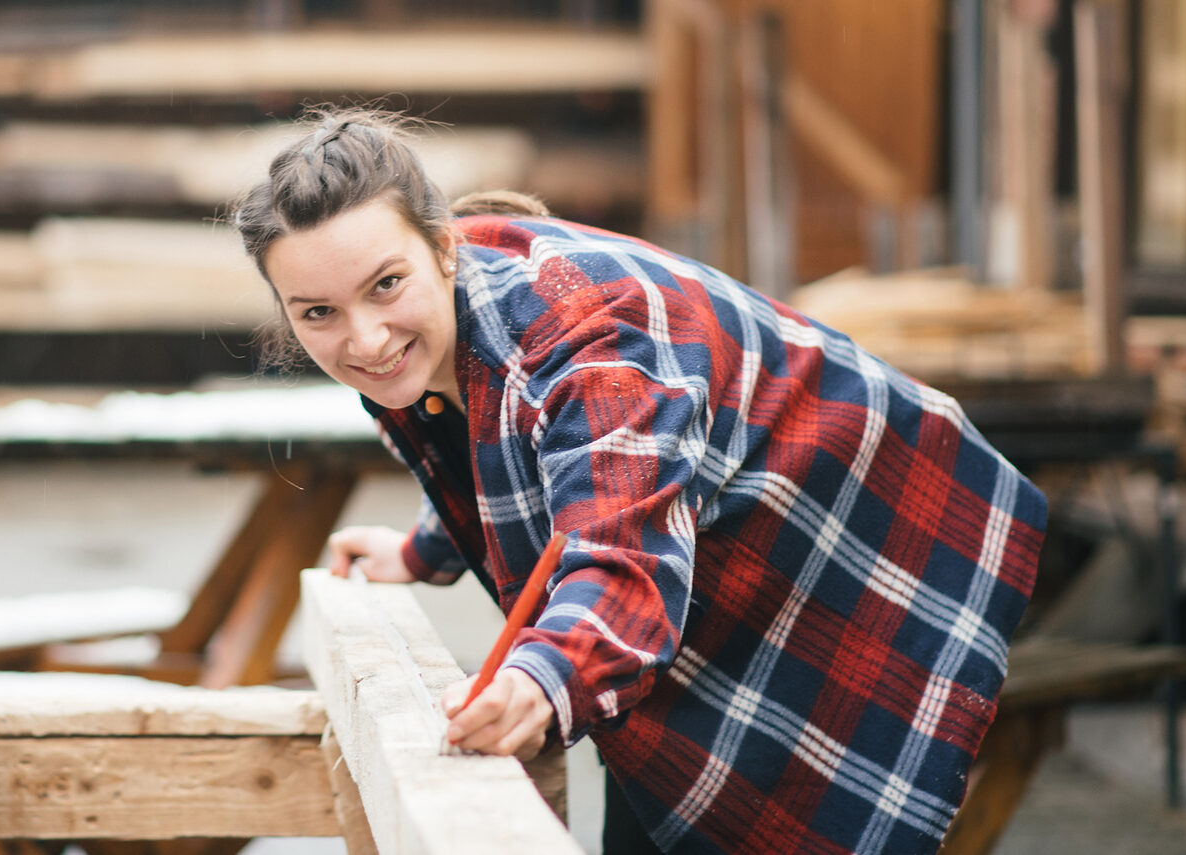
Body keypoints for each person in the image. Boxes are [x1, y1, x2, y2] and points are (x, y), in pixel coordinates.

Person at [230, 107, 1044, 855]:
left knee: (800, 801)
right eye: (318, 314)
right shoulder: (434, 327)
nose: (365, 338)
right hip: (730, 544)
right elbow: (508, 448)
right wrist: (424, 549)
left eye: (385, 286)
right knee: (650, 781)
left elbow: (621, 552)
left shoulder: (594, 347)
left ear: (444, 247)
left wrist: (541, 675)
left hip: (881, 537)